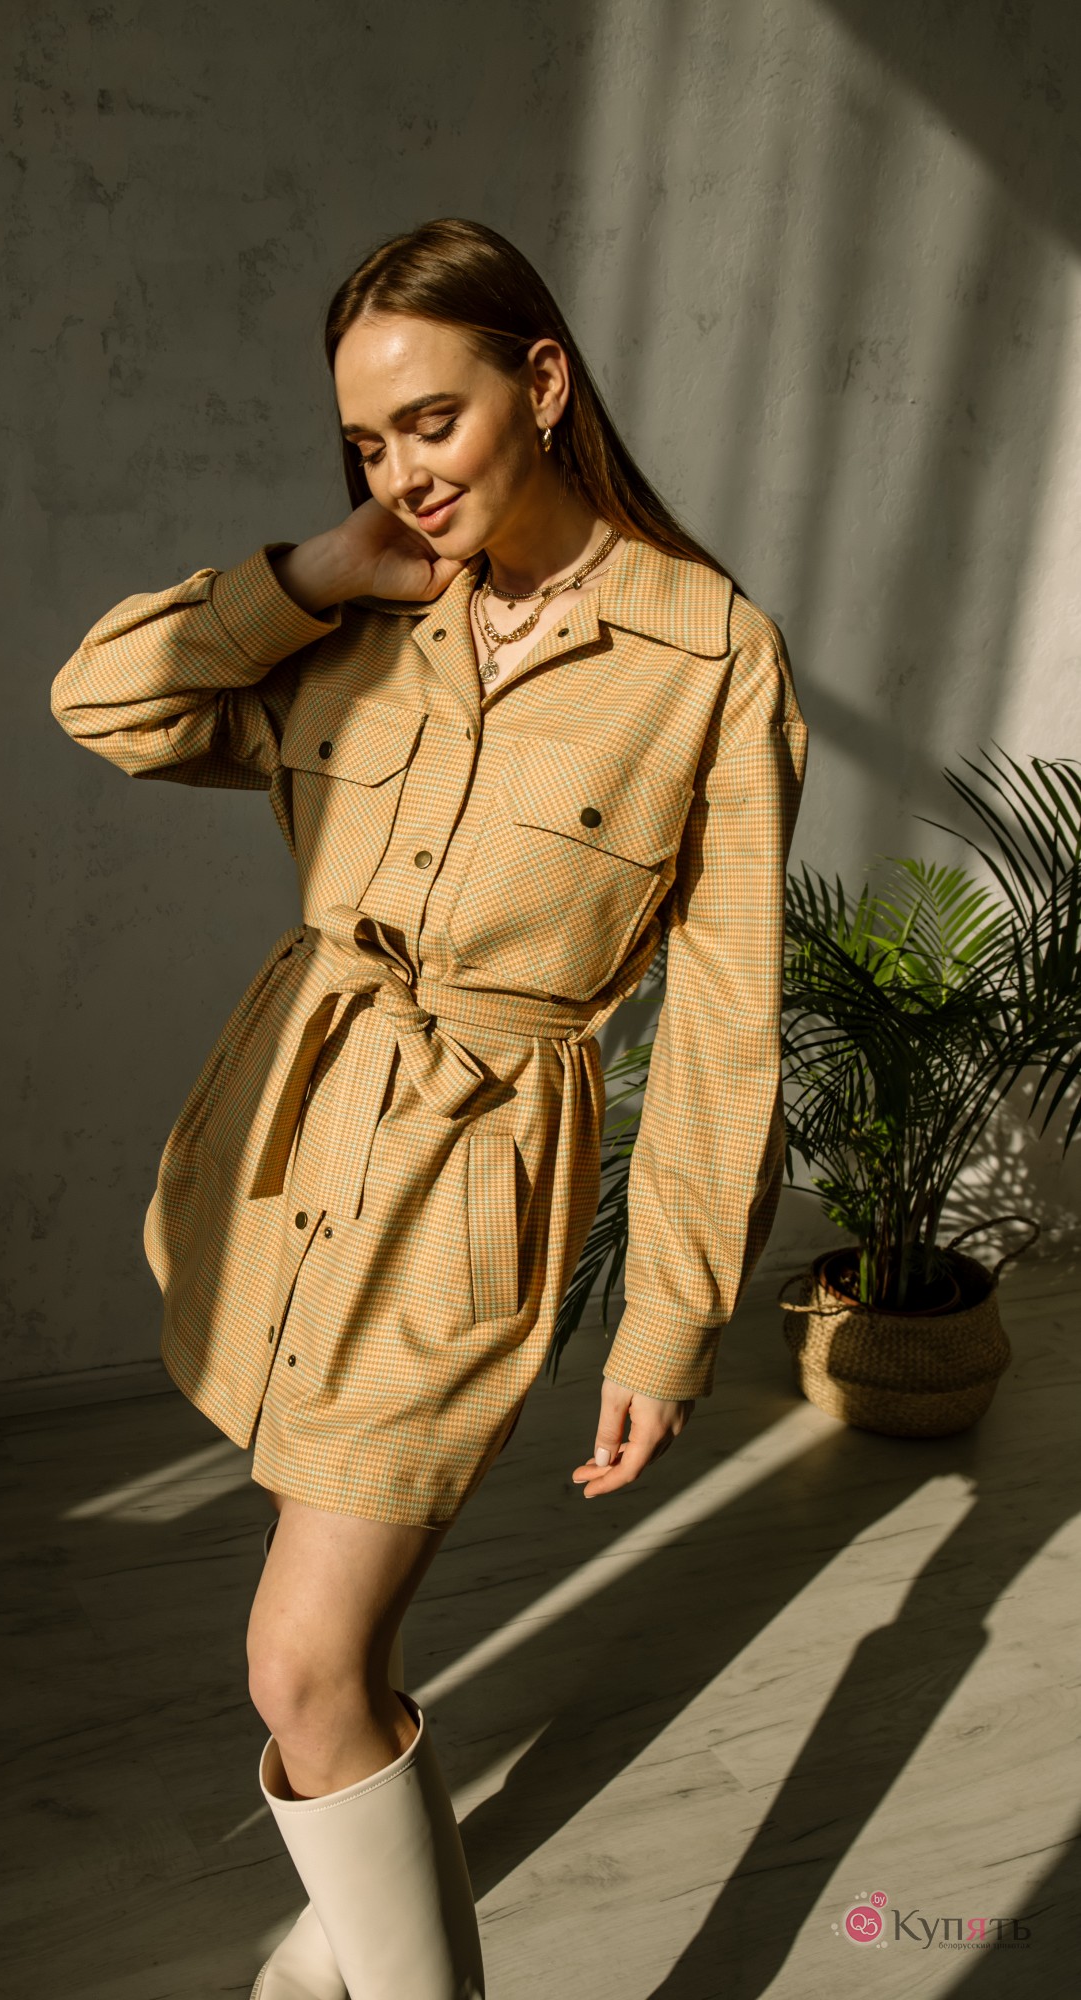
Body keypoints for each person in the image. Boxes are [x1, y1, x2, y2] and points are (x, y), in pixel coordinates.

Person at [50, 217, 808, 2000]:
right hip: (286, 1151)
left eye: (431, 421)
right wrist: (314, 569)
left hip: (469, 1188)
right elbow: (104, 702)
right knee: (321, 1651)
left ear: (539, 382)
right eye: (366, 441)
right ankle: (349, 1930)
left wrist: (670, 1321)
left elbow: (726, 1017)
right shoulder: (365, 613)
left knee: (302, 1663)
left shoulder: (705, 656)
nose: (403, 470)